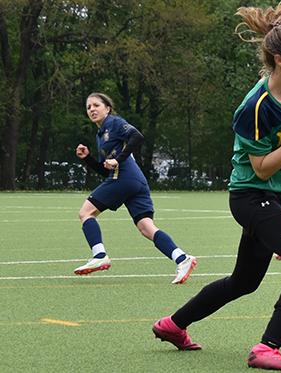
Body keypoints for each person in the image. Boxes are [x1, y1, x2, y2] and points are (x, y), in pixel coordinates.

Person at [152, 2, 281, 370]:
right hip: (251, 198)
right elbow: (263, 168)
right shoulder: (253, 107)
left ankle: (172, 325)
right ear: (280, 59)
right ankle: (267, 348)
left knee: (244, 281)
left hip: (272, 197)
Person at [74, 92, 197, 285]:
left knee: (85, 213)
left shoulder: (114, 123)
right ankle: (182, 259)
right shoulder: (101, 135)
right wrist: (87, 158)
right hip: (134, 181)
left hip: (125, 178)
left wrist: (117, 159)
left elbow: (137, 136)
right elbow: (105, 169)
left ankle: (99, 255)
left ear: (107, 108)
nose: (92, 109)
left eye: (96, 105)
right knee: (146, 228)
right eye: (88, 107)